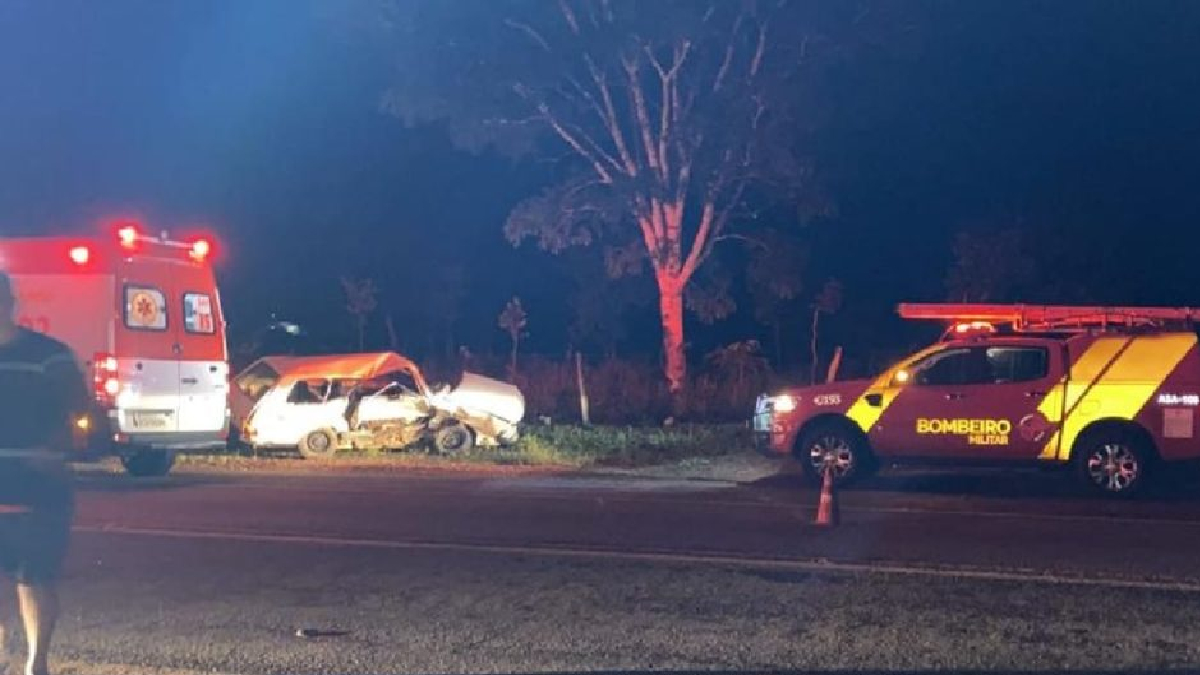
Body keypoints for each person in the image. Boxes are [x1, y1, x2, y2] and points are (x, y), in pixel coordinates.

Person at [0, 271, 88, 675]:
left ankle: (37, 663)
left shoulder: (49, 356)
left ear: (8, 303)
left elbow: (83, 415)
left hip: (38, 489)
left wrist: (55, 450)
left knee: (34, 577)